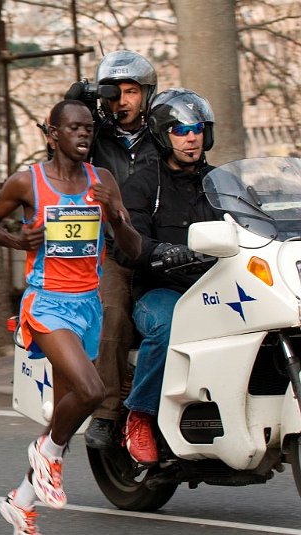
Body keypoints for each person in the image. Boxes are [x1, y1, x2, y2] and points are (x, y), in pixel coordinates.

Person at [0, 100, 141, 534]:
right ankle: (44, 452)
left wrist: (116, 213)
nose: (84, 135)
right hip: (47, 302)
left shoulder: (102, 181)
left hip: (88, 304)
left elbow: (132, 246)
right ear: (53, 134)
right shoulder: (27, 182)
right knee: (92, 389)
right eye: (74, 128)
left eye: (89, 128)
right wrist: (17, 239)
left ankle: (21, 503)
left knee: (65, 421)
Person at [114, 88, 219, 464]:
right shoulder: (143, 185)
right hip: (161, 291)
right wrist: (159, 252)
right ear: (163, 134)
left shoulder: (220, 185)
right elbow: (128, 241)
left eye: (196, 128)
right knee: (168, 323)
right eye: (180, 129)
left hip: (214, 288)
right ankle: (140, 415)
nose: (191, 137)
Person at [66, 50, 162, 449]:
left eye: (131, 91)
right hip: (111, 247)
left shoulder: (165, 133)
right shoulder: (94, 137)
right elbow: (63, 159)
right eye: (114, 92)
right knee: (112, 310)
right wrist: (76, 106)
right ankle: (105, 413)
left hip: (161, 244)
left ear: (147, 93)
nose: (122, 100)